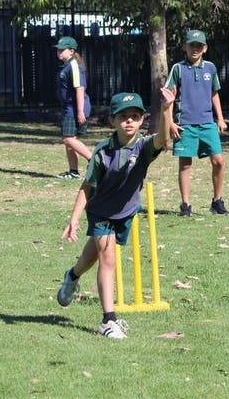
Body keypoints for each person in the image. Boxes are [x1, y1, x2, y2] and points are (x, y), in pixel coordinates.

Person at [56, 87, 175, 339]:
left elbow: (163, 140)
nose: (129, 120)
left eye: (134, 115)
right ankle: (108, 320)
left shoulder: (143, 147)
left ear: (142, 119)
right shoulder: (102, 151)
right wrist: (74, 219)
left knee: (94, 256)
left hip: (126, 211)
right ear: (113, 120)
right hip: (100, 211)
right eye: (123, 116)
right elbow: (87, 187)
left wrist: (166, 109)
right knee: (108, 259)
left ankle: (72, 275)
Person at [164, 29, 229, 216]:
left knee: (218, 161)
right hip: (185, 124)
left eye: (199, 46)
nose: (195, 49)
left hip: (207, 122)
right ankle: (185, 205)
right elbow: (168, 96)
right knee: (185, 164)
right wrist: (170, 123)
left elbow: (214, 93)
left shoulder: (210, 68)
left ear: (205, 48)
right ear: (185, 46)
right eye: (192, 45)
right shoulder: (178, 68)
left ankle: (217, 201)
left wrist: (221, 119)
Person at [54, 36, 92, 179]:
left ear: (71, 51)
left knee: (68, 139)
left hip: (74, 108)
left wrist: (80, 111)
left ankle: (92, 159)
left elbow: (80, 89)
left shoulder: (74, 66)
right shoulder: (66, 66)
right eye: (58, 50)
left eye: (62, 50)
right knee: (70, 142)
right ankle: (73, 172)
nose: (59, 52)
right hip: (68, 107)